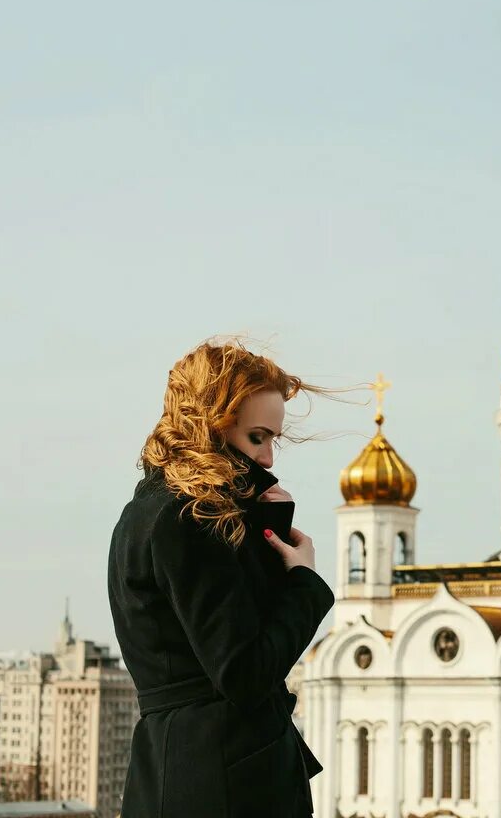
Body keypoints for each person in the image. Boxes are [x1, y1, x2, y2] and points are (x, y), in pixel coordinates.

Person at [107, 339, 336, 818]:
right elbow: (245, 672)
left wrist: (258, 530)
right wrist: (304, 584)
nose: (270, 457)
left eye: (274, 439)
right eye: (258, 437)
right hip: (223, 779)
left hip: (182, 767)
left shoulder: (147, 512)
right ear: (211, 427)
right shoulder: (188, 518)